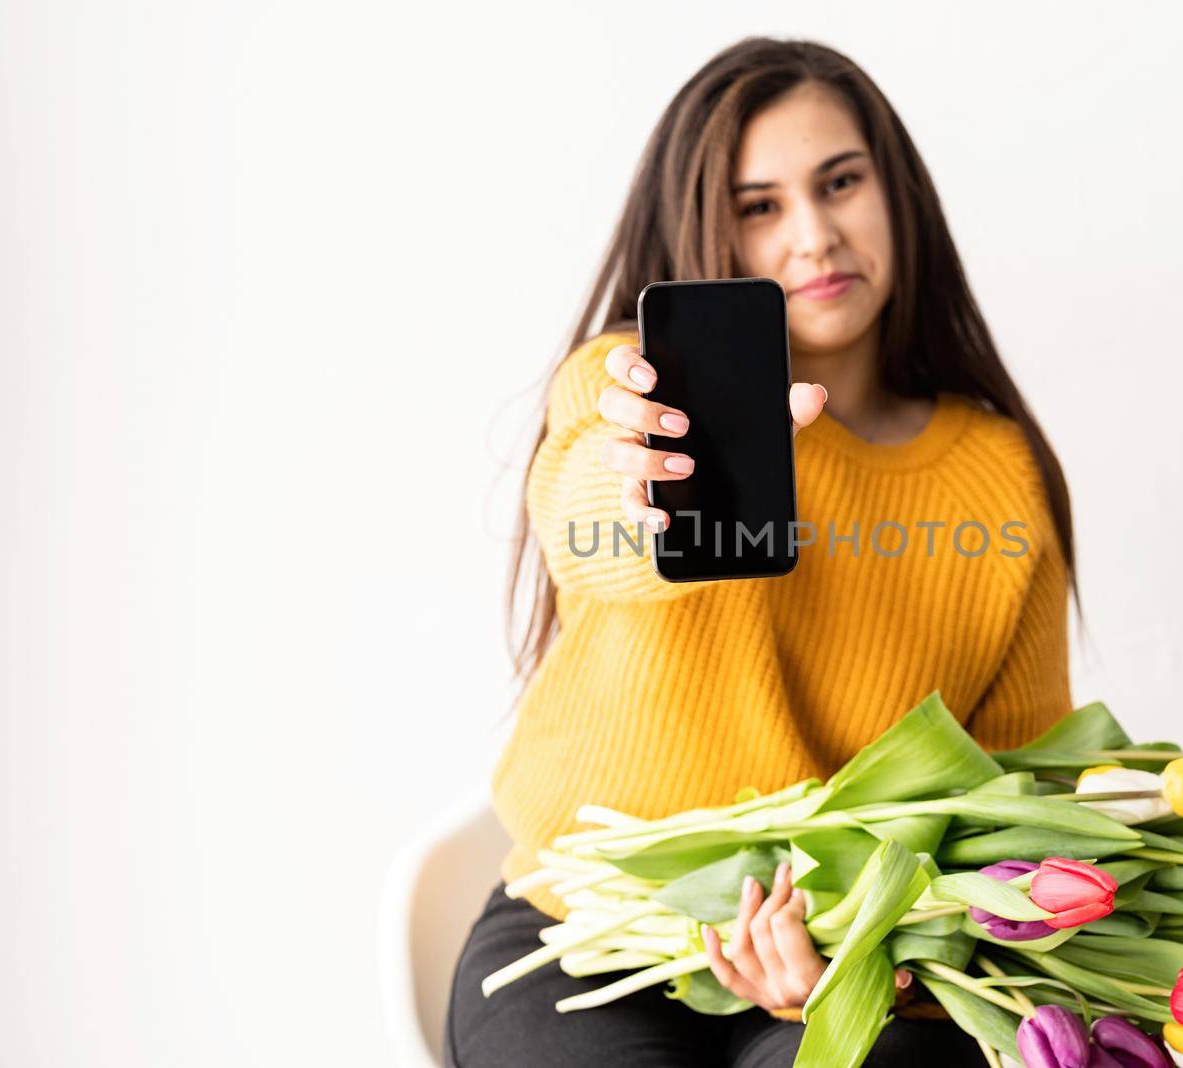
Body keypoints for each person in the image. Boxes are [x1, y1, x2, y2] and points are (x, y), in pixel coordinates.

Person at [445, 35, 1082, 1068]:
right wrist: (646, 481)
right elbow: (588, 528)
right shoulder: (634, 389)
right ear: (711, 228)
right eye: (760, 205)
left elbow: (1014, 801)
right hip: (587, 942)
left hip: (851, 960)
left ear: (897, 193)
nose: (815, 236)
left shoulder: (996, 474)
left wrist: (870, 957)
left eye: (840, 183)